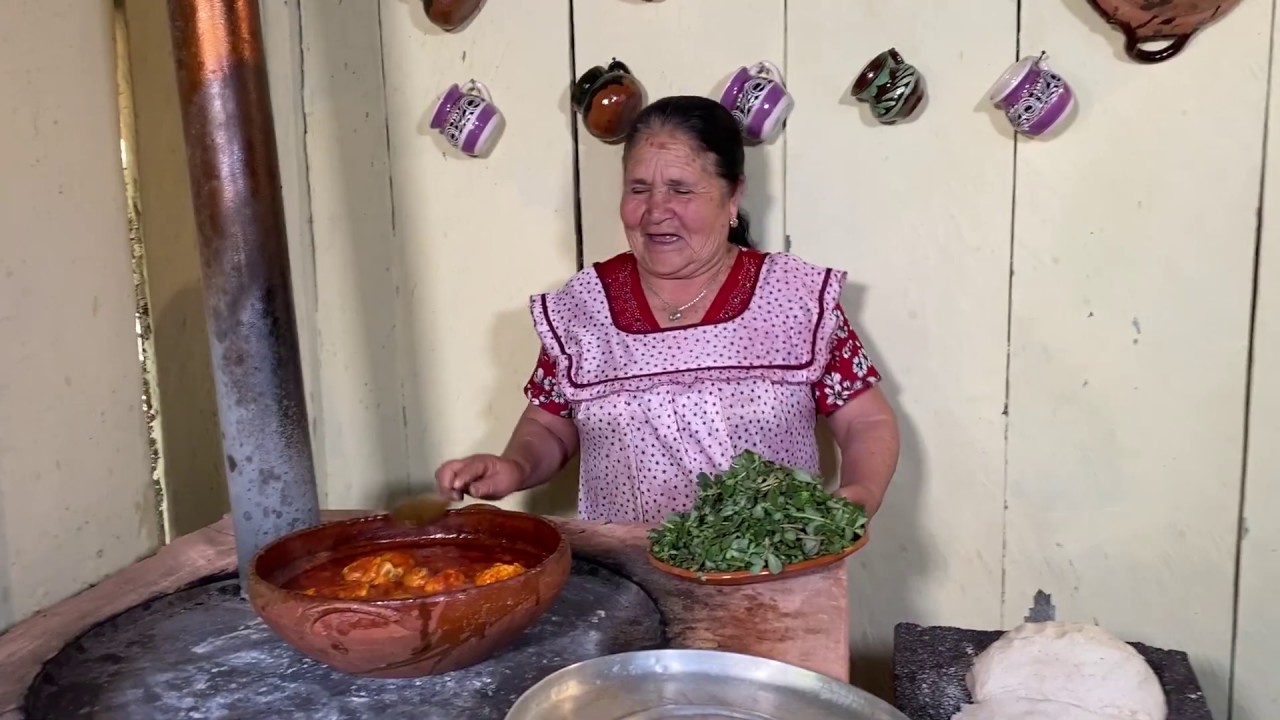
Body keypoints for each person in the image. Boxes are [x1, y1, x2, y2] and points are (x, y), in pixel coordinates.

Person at [436, 95, 900, 523]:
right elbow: (550, 425)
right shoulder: (583, 306)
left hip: (772, 573)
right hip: (626, 581)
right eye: (639, 189)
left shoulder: (794, 297)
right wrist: (512, 467)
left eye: (681, 190)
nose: (656, 210)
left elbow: (867, 420)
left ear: (732, 196)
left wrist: (860, 492)